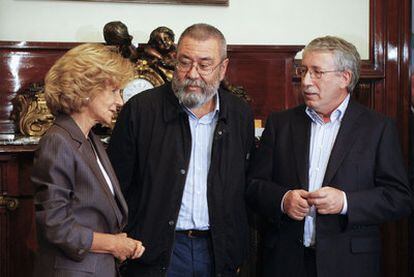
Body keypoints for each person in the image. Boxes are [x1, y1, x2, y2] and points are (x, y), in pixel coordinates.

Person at [246, 36, 412, 277]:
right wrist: (283, 200)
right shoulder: (281, 124)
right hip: (285, 261)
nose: (305, 82)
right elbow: (253, 186)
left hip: (349, 264)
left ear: (345, 78)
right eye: (303, 71)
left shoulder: (377, 128)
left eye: (317, 72)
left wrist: (345, 202)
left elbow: (400, 198)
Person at [108, 23, 254, 276]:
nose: (193, 74)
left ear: (223, 68)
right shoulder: (141, 111)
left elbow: (245, 188)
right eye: (184, 62)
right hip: (154, 251)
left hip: (218, 251)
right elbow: (115, 187)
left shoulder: (239, 114)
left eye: (204, 65)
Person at [31, 43, 145, 277]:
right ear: (85, 90)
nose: (120, 102)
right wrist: (114, 244)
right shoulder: (58, 142)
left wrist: (119, 242)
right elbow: (56, 226)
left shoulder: (89, 138)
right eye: (114, 91)